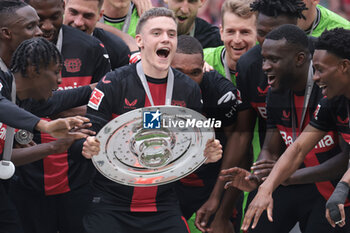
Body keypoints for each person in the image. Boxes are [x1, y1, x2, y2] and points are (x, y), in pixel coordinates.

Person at [74, 8, 222, 233]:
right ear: (140, 41)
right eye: (157, 33)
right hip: (111, 203)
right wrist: (87, 146)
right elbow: (85, 138)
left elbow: (188, 147)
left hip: (162, 204)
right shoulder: (113, 83)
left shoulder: (189, 89)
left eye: (171, 34)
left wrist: (206, 155)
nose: (165, 39)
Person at [222, 24, 350, 233]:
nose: (316, 77)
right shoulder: (331, 101)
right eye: (314, 70)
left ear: (344, 66)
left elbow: (345, 160)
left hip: (331, 190)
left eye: (320, 70)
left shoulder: (325, 93)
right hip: (332, 192)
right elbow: (298, 148)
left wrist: (340, 188)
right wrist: (264, 184)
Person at [195, 1, 307, 232]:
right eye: (263, 34)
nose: (268, 44)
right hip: (274, 175)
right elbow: (246, 138)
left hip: (321, 176)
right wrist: (221, 208)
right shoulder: (248, 65)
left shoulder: (321, 64)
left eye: (245, 32)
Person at [0, 37, 92, 233]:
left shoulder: (29, 100)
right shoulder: (3, 83)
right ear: (34, 70)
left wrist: (55, 146)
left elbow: (4, 159)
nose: (60, 80)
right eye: (56, 71)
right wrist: (45, 126)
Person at [171, 35, 238, 232]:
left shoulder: (221, 94)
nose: (188, 81)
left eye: (195, 73)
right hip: (169, 183)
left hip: (211, 182)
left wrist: (218, 199)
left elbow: (236, 144)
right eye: (178, 72)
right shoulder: (151, 85)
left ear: (204, 68)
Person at [0, 0, 89, 140]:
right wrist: (44, 126)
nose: (40, 31)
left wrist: (104, 85)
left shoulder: (10, 73)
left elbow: (47, 103)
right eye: (30, 27)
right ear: (6, 33)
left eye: (37, 24)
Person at [63, 0, 131, 70]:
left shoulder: (117, 51)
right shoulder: (51, 40)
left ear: (100, 15)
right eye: (73, 13)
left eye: (88, 16)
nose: (78, 22)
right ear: (63, 7)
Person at [203, 0, 257, 85]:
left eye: (244, 32)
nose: (237, 40)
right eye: (230, 31)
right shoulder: (203, 60)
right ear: (221, 33)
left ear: (258, 34)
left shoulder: (269, 62)